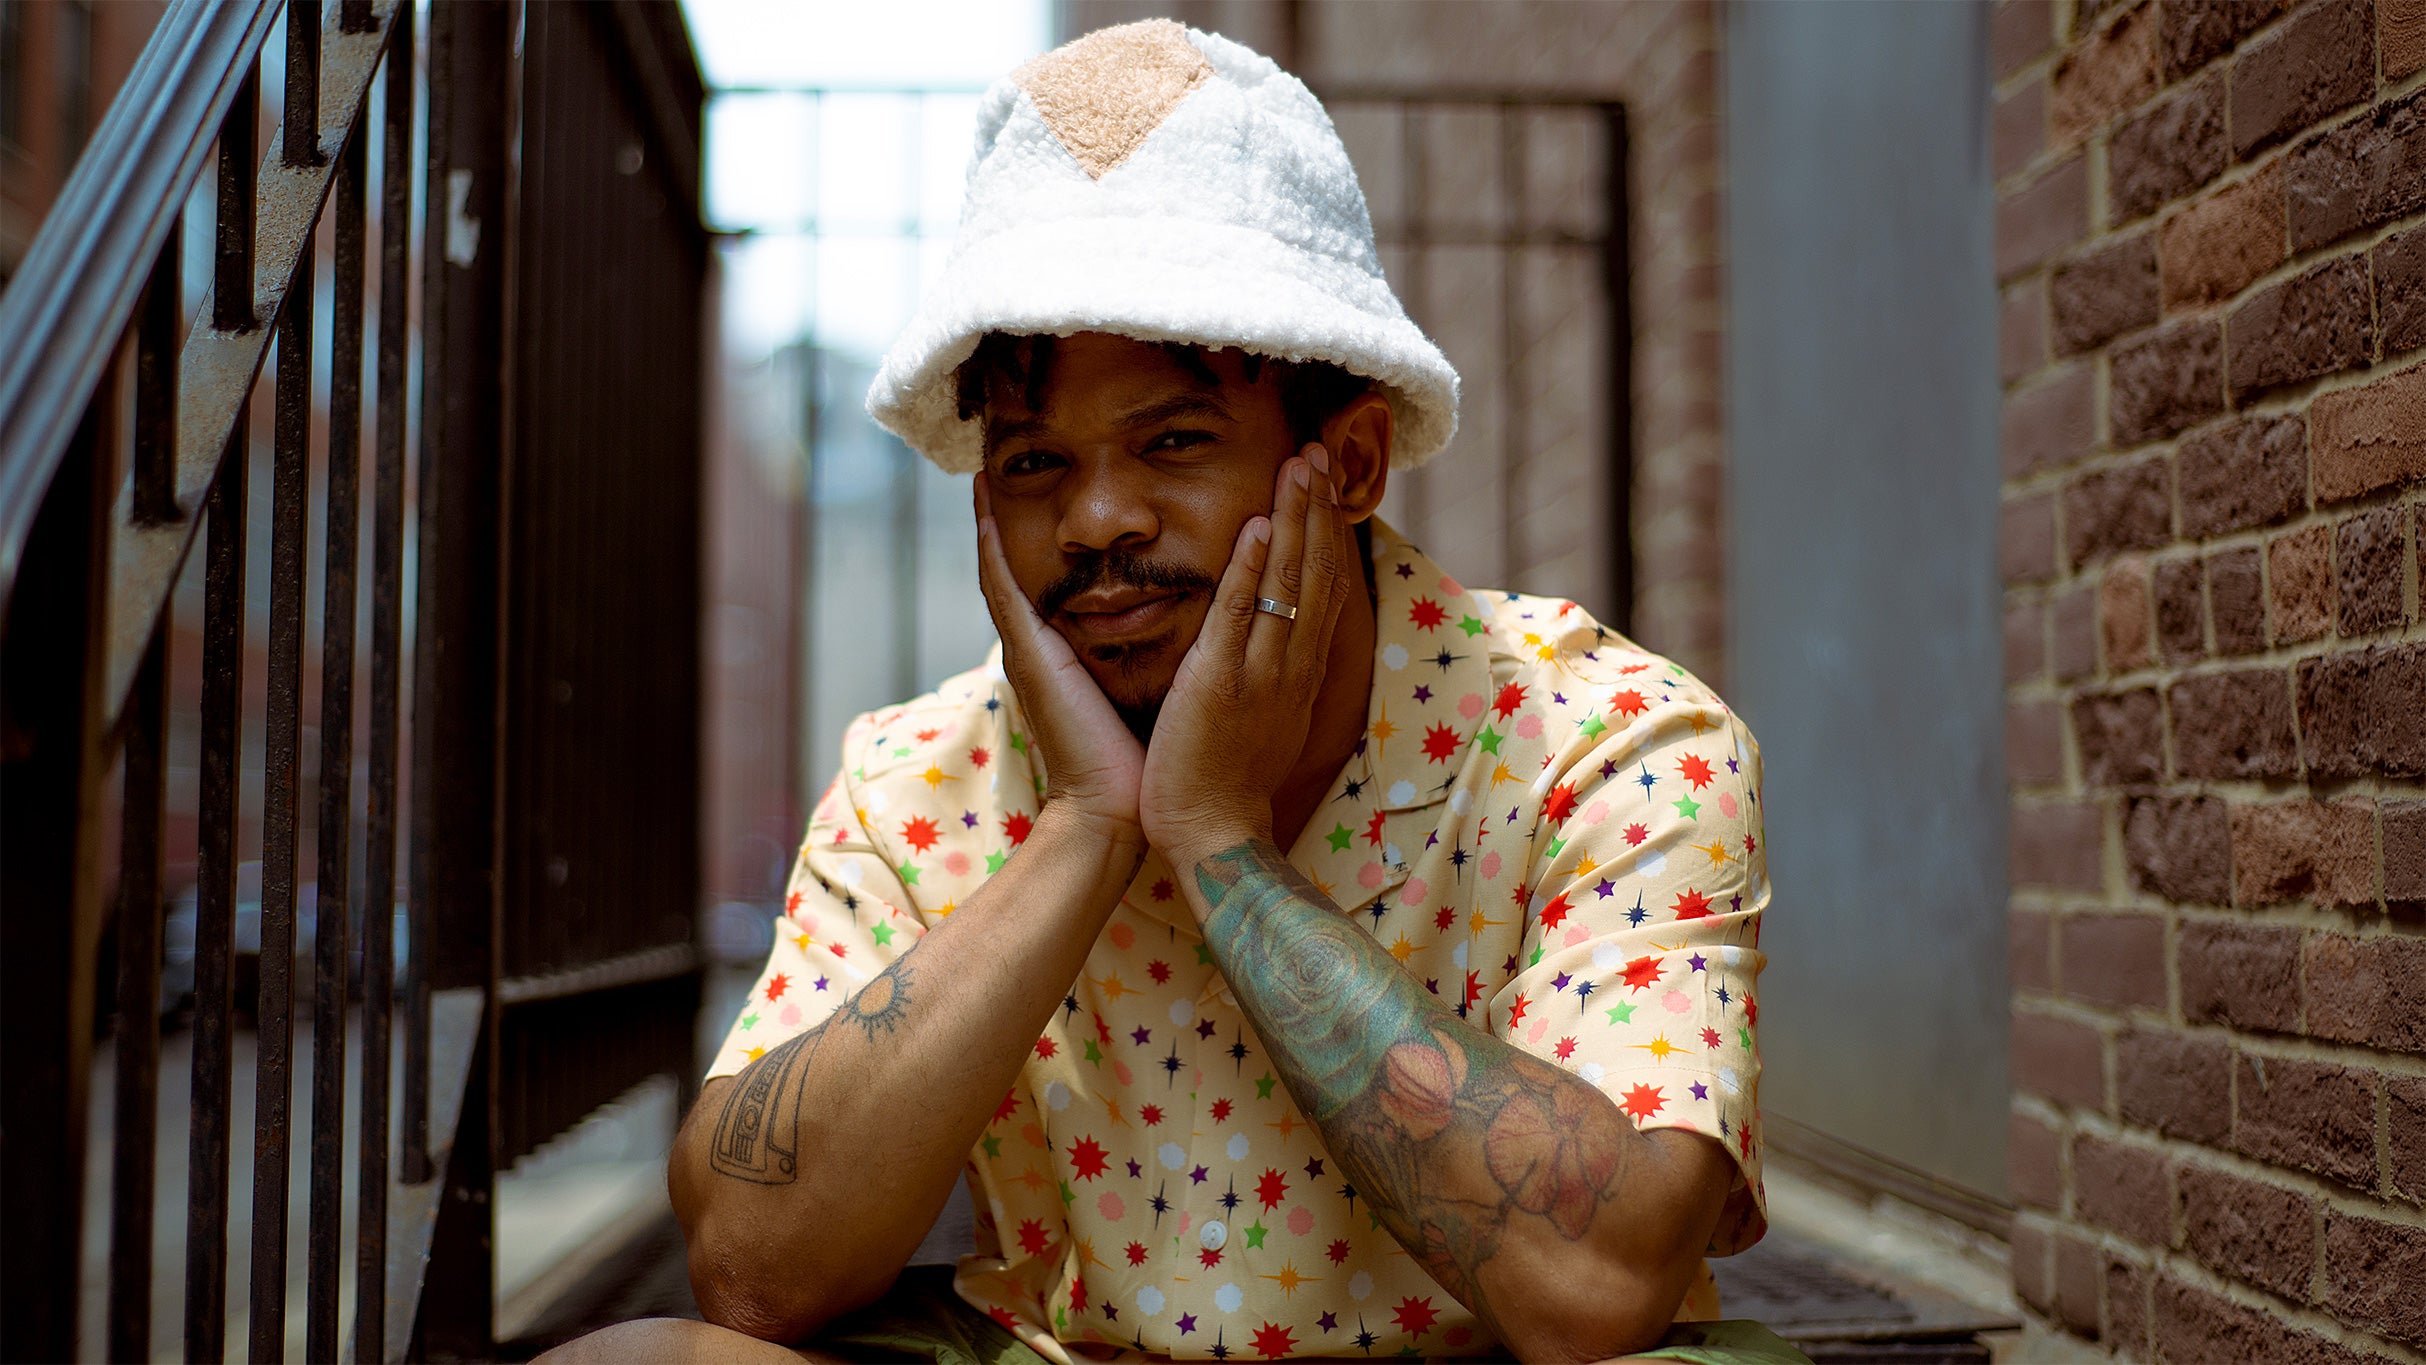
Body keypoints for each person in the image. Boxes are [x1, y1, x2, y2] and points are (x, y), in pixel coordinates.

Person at [549, 18, 1799, 1365]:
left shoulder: (1606, 741)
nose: (1096, 521)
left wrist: (1219, 842)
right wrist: (1089, 823)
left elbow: (1601, 1284)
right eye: (1034, 462)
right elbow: (748, 1268)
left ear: (1351, 464)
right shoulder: (917, 779)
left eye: (1175, 441)